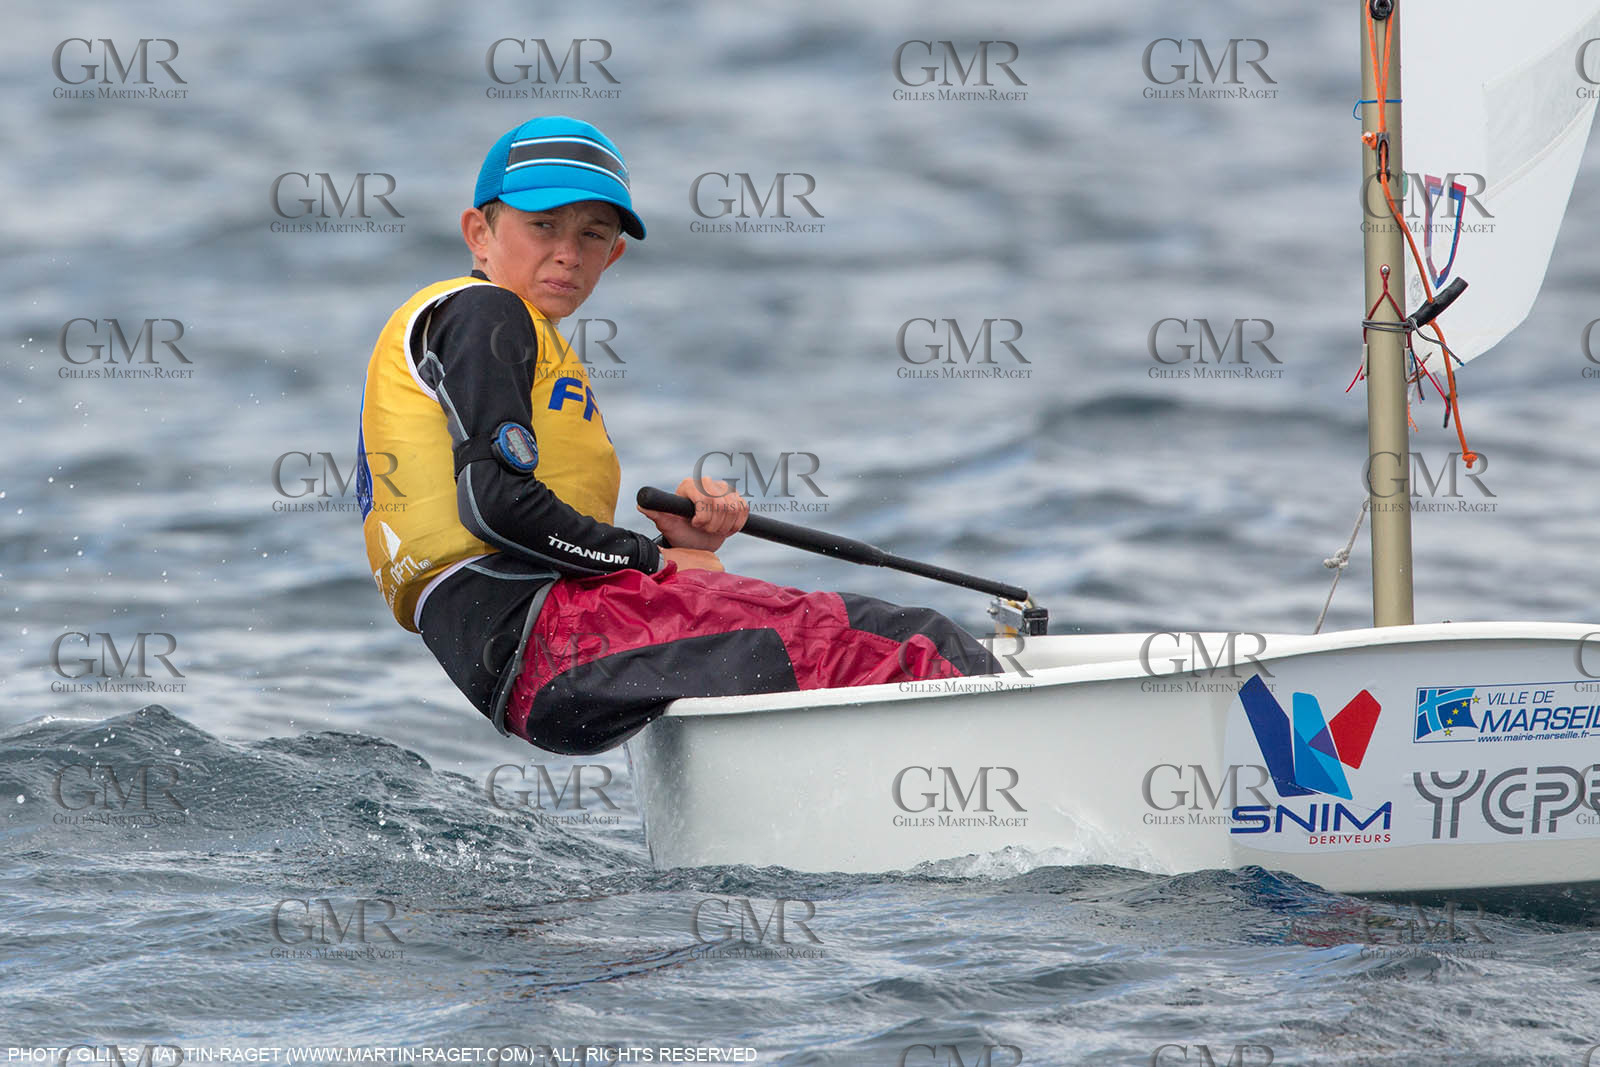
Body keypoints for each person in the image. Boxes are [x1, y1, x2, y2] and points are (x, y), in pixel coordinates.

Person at [356, 115, 1000, 755]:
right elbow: (495, 506)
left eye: (592, 235)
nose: (567, 253)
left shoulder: (510, 336)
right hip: (550, 638)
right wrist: (649, 558)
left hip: (531, 661)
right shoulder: (483, 313)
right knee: (910, 644)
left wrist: (672, 543)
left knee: (840, 646)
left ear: (615, 255)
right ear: (479, 233)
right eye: (543, 225)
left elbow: (521, 523)